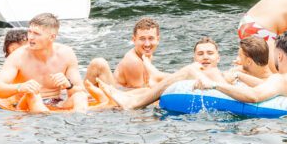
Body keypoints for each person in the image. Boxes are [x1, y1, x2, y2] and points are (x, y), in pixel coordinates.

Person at [0, 13, 88, 112]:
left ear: (52, 37)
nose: (30, 37)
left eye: (36, 34)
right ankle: (47, 122)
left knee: (80, 96)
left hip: (57, 103)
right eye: (30, 32)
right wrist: (20, 87)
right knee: (33, 94)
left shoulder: (66, 54)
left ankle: (77, 123)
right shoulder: (17, 57)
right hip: (25, 104)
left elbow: (80, 90)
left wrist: (68, 85)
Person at [95, 36, 224, 110]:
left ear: (218, 58)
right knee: (146, 90)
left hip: (220, 99)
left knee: (189, 70)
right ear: (194, 58)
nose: (205, 57)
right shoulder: (198, 74)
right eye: (200, 54)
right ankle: (125, 96)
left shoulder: (218, 74)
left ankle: (136, 98)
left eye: (210, 53)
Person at [195, 33, 287, 104]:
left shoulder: (280, 79)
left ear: (280, 56)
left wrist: (214, 85)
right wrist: (240, 75)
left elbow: (254, 97)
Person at [85, 18, 163, 89]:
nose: (147, 44)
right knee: (99, 63)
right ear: (134, 39)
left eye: (151, 38)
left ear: (158, 39)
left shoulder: (145, 55)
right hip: (115, 95)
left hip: (120, 91)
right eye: (142, 39)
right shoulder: (134, 62)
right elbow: (139, 96)